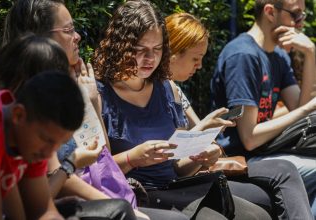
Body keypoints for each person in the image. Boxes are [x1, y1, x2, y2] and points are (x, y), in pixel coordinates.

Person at [2, 1, 190, 219]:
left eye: (157, 49)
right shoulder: (15, 107)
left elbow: (100, 159)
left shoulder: (74, 85)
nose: (78, 36)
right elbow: (38, 199)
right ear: (37, 37)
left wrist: (91, 102)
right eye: (68, 30)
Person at [93, 0, 272, 219]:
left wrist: (200, 157)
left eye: (157, 49)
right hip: (137, 195)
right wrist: (133, 158)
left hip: (177, 190)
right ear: (119, 45)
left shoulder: (168, 88)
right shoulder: (99, 95)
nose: (150, 58)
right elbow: (96, 172)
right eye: (141, 50)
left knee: (258, 215)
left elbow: (177, 166)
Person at [166, 12, 313, 219]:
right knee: (282, 177)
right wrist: (205, 134)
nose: (199, 66)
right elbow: (177, 157)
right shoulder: (243, 55)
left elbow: (203, 140)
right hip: (196, 176)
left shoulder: (174, 90)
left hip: (209, 168)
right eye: (196, 59)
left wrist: (311, 53)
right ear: (173, 53)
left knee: (284, 173)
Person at [210, 0, 316, 218]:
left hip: (267, 150)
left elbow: (298, 106)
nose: (300, 24)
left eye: (302, 17)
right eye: (296, 15)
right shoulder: (243, 56)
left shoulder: (278, 55)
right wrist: (309, 109)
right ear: (270, 12)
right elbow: (249, 137)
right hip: (242, 156)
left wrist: (311, 53)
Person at [0, 70, 85, 220]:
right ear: (18, 115)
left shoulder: (27, 141)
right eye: (47, 139)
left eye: (60, 144)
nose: (49, 153)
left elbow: (42, 211)